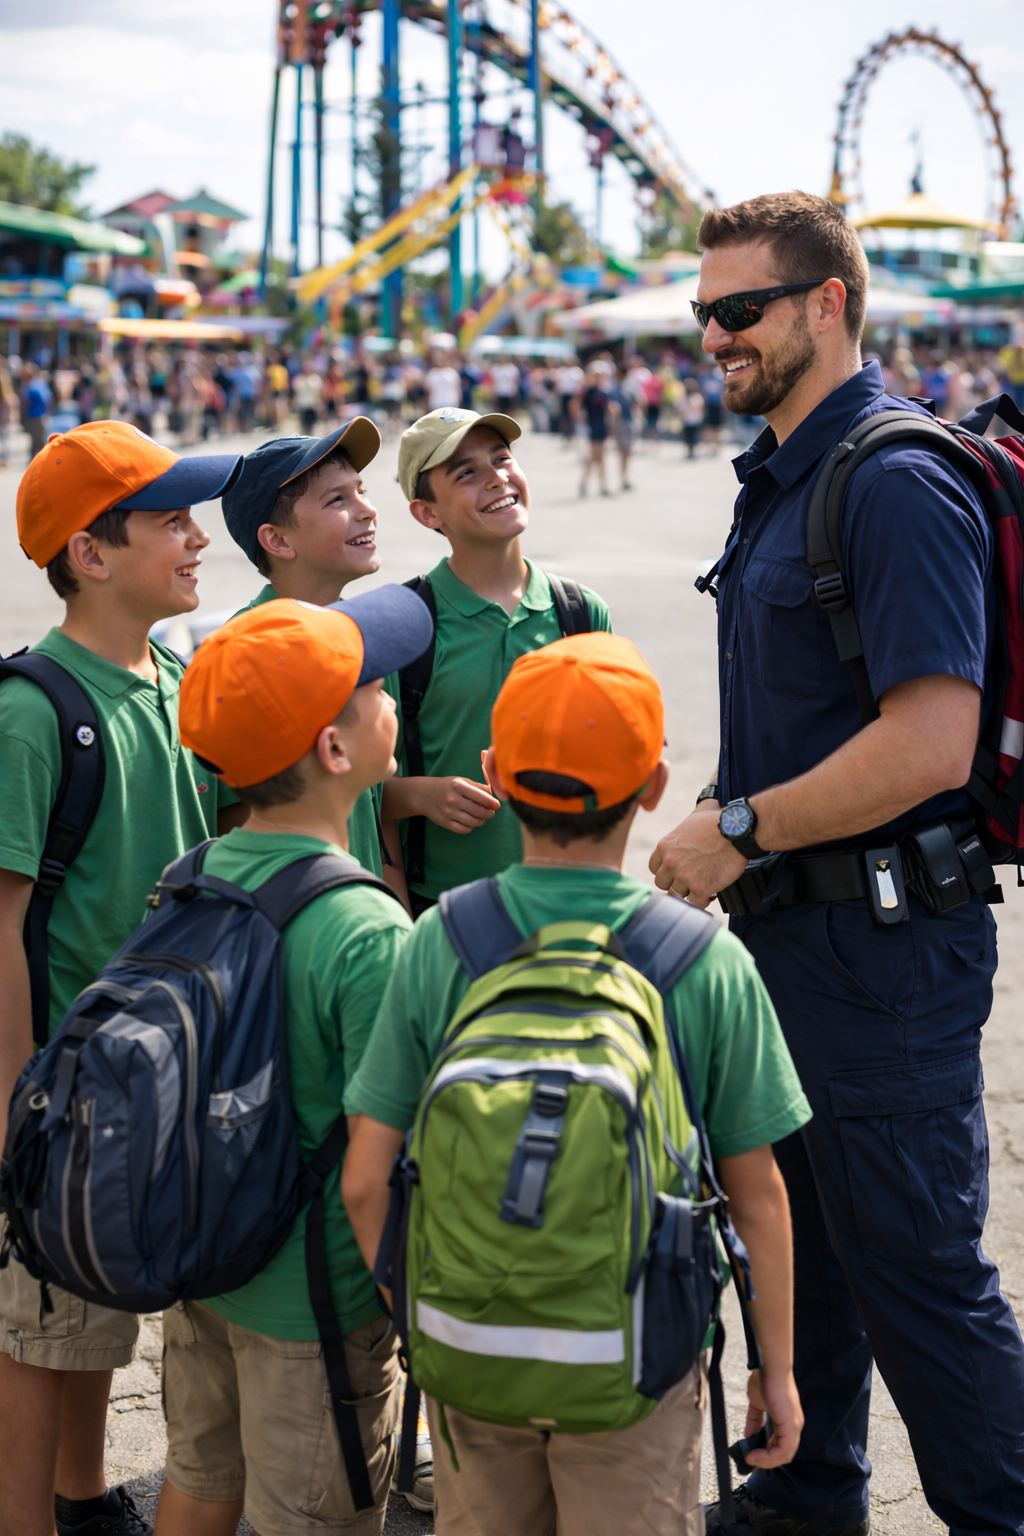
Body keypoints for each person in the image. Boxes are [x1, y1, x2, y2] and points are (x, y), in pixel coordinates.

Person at [650, 190, 1024, 1536]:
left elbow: (932, 740)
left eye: (738, 312)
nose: (714, 338)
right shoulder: (788, 476)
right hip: (795, 942)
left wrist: (738, 830)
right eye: (703, 315)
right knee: (799, 1236)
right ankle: (811, 1496)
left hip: (885, 953)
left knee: (919, 1266)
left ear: (828, 305)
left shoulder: (893, 477)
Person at [342, 630, 810, 1536]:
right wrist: (775, 1372)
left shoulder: (441, 939)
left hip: (472, 1351)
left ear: (492, 770)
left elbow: (367, 1179)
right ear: (654, 788)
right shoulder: (701, 960)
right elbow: (759, 1200)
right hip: (636, 1359)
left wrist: (427, 1317)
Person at [0, 421, 246, 1536]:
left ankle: (83, 1490)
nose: (197, 539)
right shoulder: (30, 709)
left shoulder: (178, 674)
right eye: (170, 522)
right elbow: (1, 928)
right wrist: (14, 1110)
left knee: (94, 1304)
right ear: (90, 555)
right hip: (64, 1087)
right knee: (37, 1326)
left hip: (162, 1071)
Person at [153, 590, 429, 1536]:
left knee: (197, 1478)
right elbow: (374, 1174)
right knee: (313, 1515)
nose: (392, 692)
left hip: (203, 1269)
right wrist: (415, 1311)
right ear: (335, 752)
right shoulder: (366, 929)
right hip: (318, 1307)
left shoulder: (191, 872)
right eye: (371, 688)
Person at [380, 407, 612, 917]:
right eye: (466, 472)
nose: (496, 478)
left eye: (502, 458)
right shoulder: (403, 624)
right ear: (427, 513)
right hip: (445, 915)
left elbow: (615, 764)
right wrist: (420, 795)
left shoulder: (581, 611)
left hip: (566, 903)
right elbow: (362, 792)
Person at [220, 418, 408, 895]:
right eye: (337, 500)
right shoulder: (248, 655)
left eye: (360, 491)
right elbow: (235, 820)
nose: (367, 510)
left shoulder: (369, 634)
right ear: (278, 541)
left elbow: (371, 803)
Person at [574, 366, 615, 497]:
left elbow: (608, 409)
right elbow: (576, 405)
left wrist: (612, 422)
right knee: (594, 456)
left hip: (601, 425)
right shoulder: (587, 392)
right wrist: (580, 415)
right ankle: (588, 483)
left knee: (600, 457)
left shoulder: (604, 392)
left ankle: (599, 485)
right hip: (592, 425)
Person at [20, 361, 52, 459]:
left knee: (40, 442)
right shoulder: (28, 386)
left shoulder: (34, 386)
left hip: (38, 416)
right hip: (33, 417)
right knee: (35, 442)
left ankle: (42, 461)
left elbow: (46, 400)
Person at [554, 357, 583, 442]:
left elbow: (580, 384)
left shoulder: (577, 371)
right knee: (564, 415)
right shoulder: (562, 371)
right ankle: (564, 434)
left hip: (573, 396)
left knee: (572, 416)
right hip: (564, 396)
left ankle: (571, 435)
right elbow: (558, 383)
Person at [293, 359, 324, 434]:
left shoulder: (315, 378)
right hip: (302, 404)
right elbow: (296, 391)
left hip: (312, 404)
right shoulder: (299, 378)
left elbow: (320, 391)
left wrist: (319, 403)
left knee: (311, 423)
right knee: (303, 423)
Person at [679, 377, 706, 459]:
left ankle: (696, 451)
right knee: (687, 437)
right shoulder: (683, 397)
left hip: (695, 420)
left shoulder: (697, 397)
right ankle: (689, 451)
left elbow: (700, 407)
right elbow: (680, 409)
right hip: (686, 420)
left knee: (696, 437)